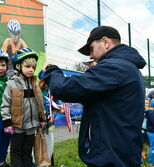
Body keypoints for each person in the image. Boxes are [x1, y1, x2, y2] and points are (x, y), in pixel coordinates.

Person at [42, 26, 146, 167]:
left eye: (91, 49)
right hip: (120, 151)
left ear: (105, 42)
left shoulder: (114, 67)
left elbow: (65, 88)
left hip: (112, 157)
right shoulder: (126, 67)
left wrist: (51, 70)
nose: (90, 56)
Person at [0, 48, 45, 167]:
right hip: (17, 126)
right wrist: (7, 122)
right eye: (28, 66)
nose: (31, 69)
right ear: (19, 66)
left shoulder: (35, 84)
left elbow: (39, 103)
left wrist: (41, 119)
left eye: (33, 67)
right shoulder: (11, 84)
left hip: (31, 125)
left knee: (27, 152)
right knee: (16, 152)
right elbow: (5, 104)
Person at [145, 99, 154, 165]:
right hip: (152, 132)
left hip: (150, 131)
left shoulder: (150, 112)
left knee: (151, 146)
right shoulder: (152, 113)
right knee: (153, 147)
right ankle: (150, 162)